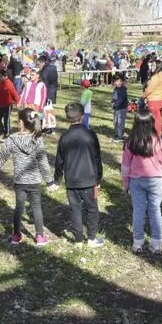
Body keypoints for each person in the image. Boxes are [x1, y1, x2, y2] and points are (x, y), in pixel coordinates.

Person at [0, 108, 57, 246]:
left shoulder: (12, 139)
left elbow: (0, 159)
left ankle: (16, 236)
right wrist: (49, 182)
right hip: (34, 181)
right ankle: (40, 236)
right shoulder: (38, 139)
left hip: (20, 182)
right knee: (36, 207)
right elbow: (43, 163)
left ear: (21, 122)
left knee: (19, 207)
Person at [54, 102, 104, 247]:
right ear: (82, 116)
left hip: (71, 181)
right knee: (92, 209)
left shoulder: (64, 137)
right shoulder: (90, 135)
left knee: (75, 210)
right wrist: (98, 177)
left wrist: (58, 179)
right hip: (89, 180)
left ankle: (78, 240)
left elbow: (59, 161)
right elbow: (97, 158)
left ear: (67, 117)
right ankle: (92, 238)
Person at [121, 110, 162, 254]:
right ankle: (156, 243)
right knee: (155, 211)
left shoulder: (130, 142)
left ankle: (138, 243)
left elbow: (125, 166)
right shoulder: (158, 141)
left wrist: (126, 183)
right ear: (151, 123)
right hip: (155, 181)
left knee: (138, 211)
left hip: (136, 181)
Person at [0, 70, 20, 141]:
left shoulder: (9, 84)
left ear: (5, 77)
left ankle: (7, 134)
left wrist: (17, 102)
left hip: (7, 105)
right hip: (0, 105)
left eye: (0, 77)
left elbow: (15, 94)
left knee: (6, 120)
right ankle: (2, 132)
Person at [142, 60, 162, 134]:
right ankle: (156, 134)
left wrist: (143, 96)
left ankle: (156, 135)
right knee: (157, 118)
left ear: (158, 66)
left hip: (154, 100)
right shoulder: (161, 74)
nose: (152, 67)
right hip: (159, 99)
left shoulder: (156, 77)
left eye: (154, 65)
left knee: (155, 120)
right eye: (152, 65)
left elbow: (149, 89)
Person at [111, 74, 129, 142]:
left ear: (122, 82)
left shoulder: (122, 90)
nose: (117, 83)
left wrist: (115, 105)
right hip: (116, 108)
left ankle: (120, 136)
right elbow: (114, 97)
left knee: (120, 122)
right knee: (115, 121)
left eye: (119, 81)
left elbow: (121, 99)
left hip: (121, 108)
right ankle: (117, 133)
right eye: (116, 81)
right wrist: (112, 101)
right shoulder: (116, 89)